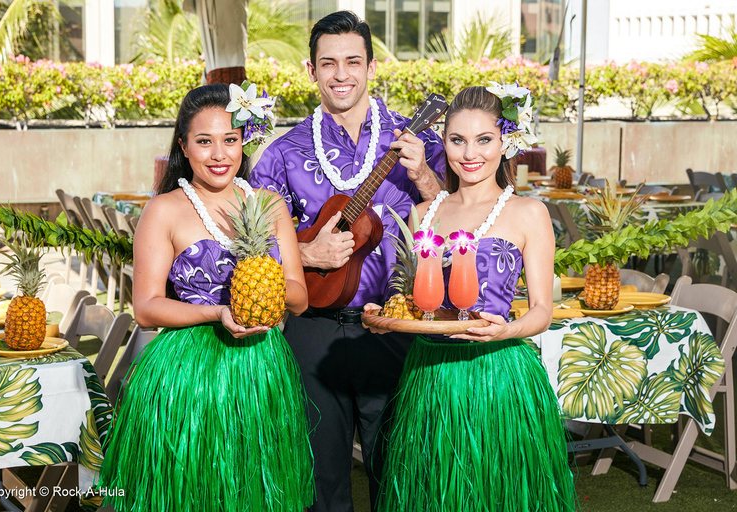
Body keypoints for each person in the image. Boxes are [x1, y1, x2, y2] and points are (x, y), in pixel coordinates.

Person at [249, 10, 445, 512]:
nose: (341, 74)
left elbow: (461, 226)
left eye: (353, 61)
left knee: (399, 470)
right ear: (310, 70)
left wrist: (424, 178)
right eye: (328, 62)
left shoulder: (415, 144)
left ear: (372, 67)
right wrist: (305, 252)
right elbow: (250, 248)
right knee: (321, 478)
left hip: (395, 325)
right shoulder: (282, 154)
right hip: (312, 329)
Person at [99, 84, 314, 511]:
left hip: (261, 368)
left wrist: (263, 288)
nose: (219, 154)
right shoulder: (164, 210)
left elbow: (300, 296)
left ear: (244, 141)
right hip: (186, 374)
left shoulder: (270, 206)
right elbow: (145, 307)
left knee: (253, 490)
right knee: (187, 492)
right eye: (204, 141)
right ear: (183, 144)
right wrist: (217, 310)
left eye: (230, 140)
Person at [366, 85, 576, 511]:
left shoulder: (528, 212)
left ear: (505, 142)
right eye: (457, 140)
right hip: (431, 372)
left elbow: (542, 312)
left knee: (500, 493)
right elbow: (414, 297)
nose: (469, 153)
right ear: (443, 142)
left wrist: (508, 330)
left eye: (484, 140)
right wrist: (387, 310)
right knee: (434, 491)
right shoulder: (424, 214)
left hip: (498, 375)